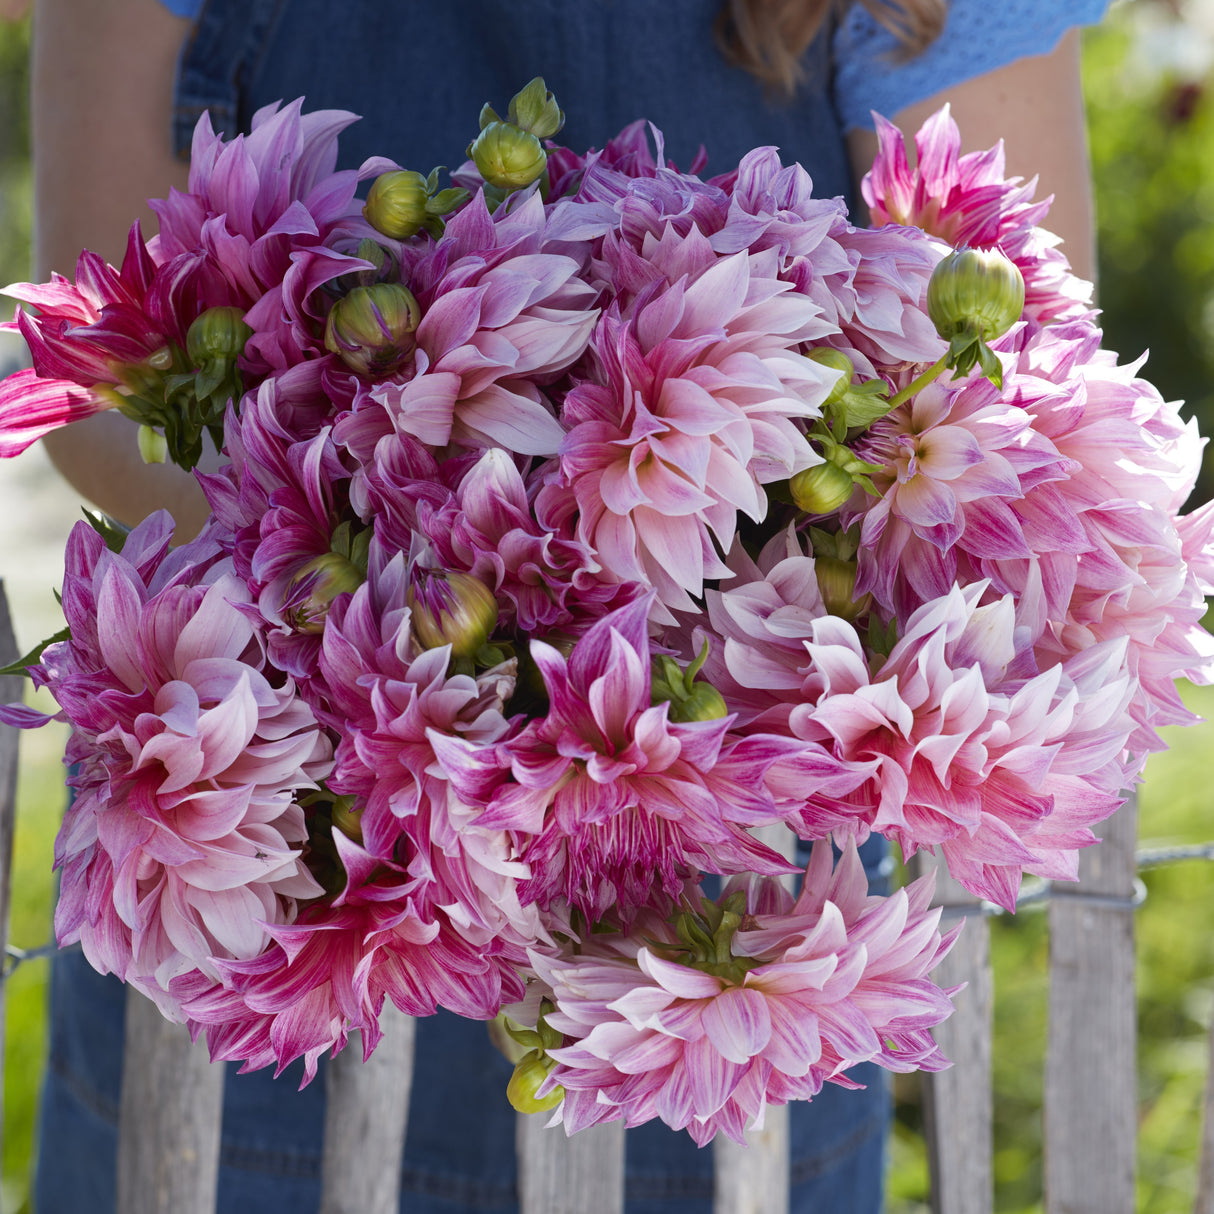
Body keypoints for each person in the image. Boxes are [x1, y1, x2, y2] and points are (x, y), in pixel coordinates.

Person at [27, 0, 1108, 1210]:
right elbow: (100, 386)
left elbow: (1003, 409)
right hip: (271, 877)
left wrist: (569, 602)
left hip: (714, 956)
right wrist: (400, 560)